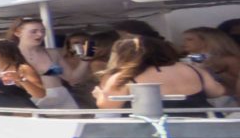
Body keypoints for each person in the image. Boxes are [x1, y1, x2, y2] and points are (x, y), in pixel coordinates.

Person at [95, 34, 227, 110]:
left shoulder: (125, 76)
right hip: (201, 126)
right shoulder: (192, 68)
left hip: (154, 133)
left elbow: (108, 106)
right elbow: (218, 92)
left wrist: (99, 94)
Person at [9, 16, 85, 107]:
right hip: (31, 100)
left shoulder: (52, 53)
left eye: (43, 31)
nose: (40, 34)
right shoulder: (10, 55)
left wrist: (86, 59)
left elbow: (72, 78)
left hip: (60, 98)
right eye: (34, 31)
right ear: (17, 32)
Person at [181, 27, 240, 105]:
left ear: (206, 41)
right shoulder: (189, 59)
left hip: (229, 101)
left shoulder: (228, 60)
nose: (184, 43)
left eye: (190, 40)